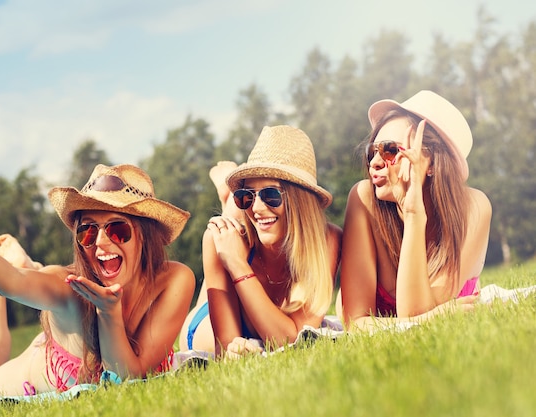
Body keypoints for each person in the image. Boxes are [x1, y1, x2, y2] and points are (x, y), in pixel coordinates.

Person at [0, 163, 194, 398]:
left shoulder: (173, 280)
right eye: (87, 231)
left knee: (32, 280)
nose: (101, 243)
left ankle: (32, 267)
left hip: (62, 317)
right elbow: (11, 282)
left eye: (118, 229)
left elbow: (130, 375)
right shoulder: (70, 287)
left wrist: (108, 313)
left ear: (146, 235)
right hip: (41, 365)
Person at [180, 125, 342, 358]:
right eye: (246, 196)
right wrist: (232, 262)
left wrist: (238, 265)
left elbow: (291, 339)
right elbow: (226, 349)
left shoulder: (327, 239)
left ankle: (230, 202)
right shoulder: (219, 239)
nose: (256, 207)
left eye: (271, 195)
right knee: (222, 237)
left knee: (231, 247)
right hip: (208, 319)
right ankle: (230, 205)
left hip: (245, 269)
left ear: (300, 200)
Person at [338, 90, 492, 331]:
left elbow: (413, 312)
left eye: (389, 150)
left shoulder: (474, 207)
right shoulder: (363, 198)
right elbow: (355, 323)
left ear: (430, 162)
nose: (374, 163)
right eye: (372, 151)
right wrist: (434, 317)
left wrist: (413, 214)